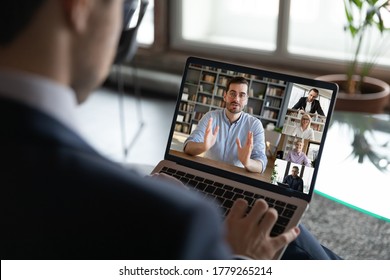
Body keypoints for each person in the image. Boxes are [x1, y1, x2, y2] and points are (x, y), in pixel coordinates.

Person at [0, 0, 341, 260]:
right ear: (81, 7)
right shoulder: (176, 221)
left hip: (228, 190)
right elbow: (191, 151)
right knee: (298, 242)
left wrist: (242, 160)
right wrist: (240, 260)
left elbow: (255, 165)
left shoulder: (251, 125)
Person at [183, 76, 267, 173]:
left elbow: (261, 164)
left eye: (242, 95)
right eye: (232, 93)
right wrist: (203, 146)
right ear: (225, 96)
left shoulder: (255, 125)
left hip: (235, 179)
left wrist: (247, 162)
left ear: (247, 99)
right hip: (207, 173)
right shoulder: (210, 117)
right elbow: (187, 147)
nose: (236, 99)